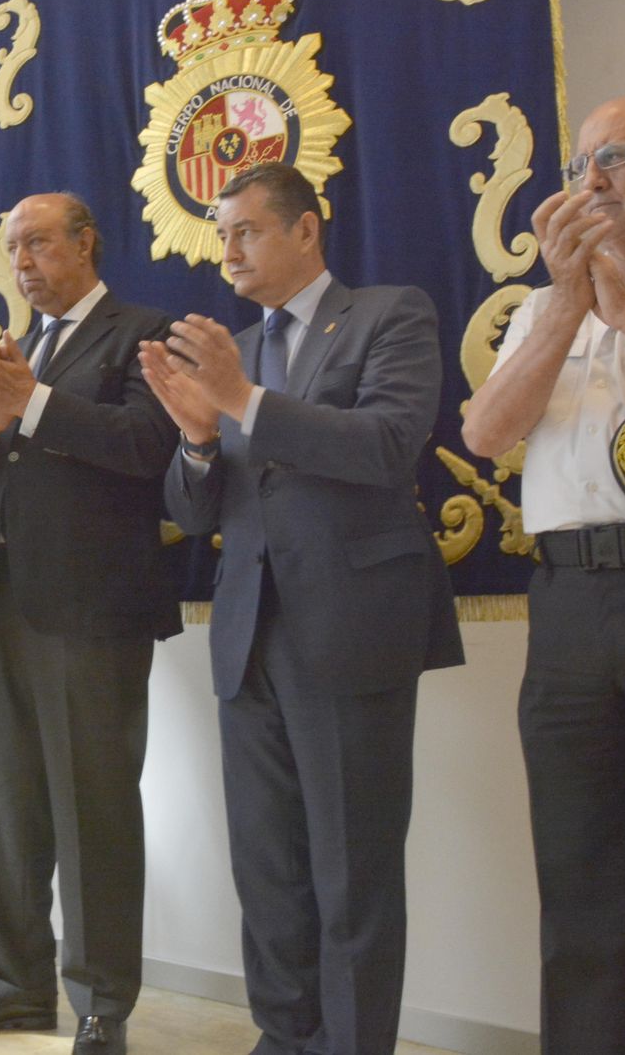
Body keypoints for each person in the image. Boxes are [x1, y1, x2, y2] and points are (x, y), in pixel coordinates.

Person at [139, 161, 462, 1055]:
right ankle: (283, 1039)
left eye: (245, 230)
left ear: (305, 230)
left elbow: (391, 445)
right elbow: (195, 512)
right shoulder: (232, 350)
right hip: (249, 633)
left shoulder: (390, 313)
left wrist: (239, 400)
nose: (227, 250)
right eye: (220, 233)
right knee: (269, 872)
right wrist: (201, 442)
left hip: (353, 626)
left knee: (353, 873)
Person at [0, 192, 180, 1055]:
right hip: (3, 604)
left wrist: (30, 402)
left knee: (95, 814)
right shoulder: (19, 349)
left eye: (38, 244)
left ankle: (103, 1002)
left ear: (86, 243)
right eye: (12, 251)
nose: (24, 263)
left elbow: (148, 445)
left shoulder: (146, 330)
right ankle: (15, 981)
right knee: (6, 811)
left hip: (94, 611)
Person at [461, 95, 625, 1055]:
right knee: (579, 871)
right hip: (570, 601)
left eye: (612, 155)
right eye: (575, 167)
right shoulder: (541, 309)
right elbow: (486, 434)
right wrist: (569, 301)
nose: (589, 180)